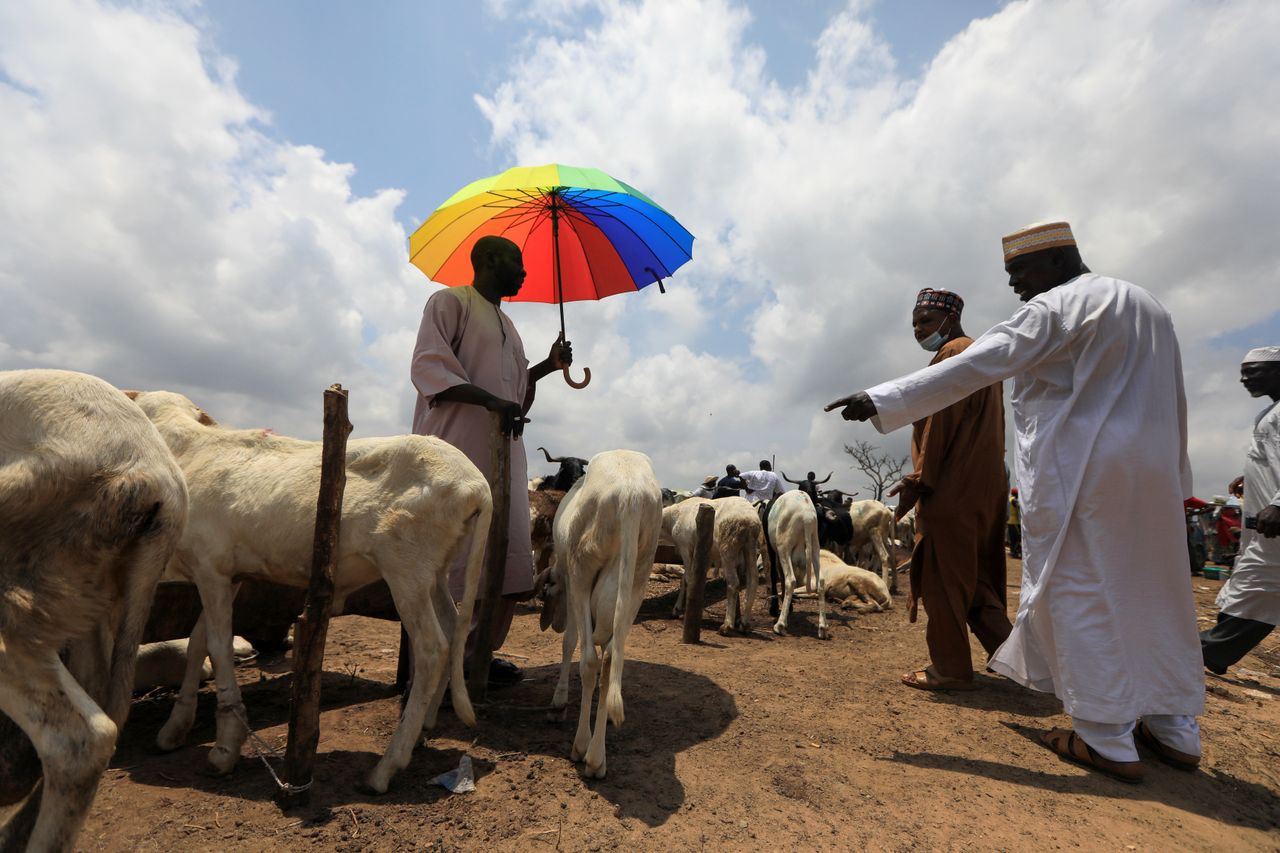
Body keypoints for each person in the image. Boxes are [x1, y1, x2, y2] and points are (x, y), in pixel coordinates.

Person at [825, 221, 1203, 783]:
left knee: (1082, 587)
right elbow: (1172, 392)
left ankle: (1105, 738)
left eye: (1019, 273)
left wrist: (881, 397)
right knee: (1152, 590)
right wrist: (1175, 473)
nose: (1016, 287)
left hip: (1087, 472)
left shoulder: (1058, 306)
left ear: (1056, 261)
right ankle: (1173, 726)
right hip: (1149, 473)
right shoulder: (1147, 304)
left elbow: (980, 363)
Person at [410, 235, 572, 685]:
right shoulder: (448, 303)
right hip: (454, 450)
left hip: (504, 456)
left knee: (508, 554)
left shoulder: (509, 325)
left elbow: (515, 391)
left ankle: (475, 654)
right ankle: (439, 659)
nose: (524, 271)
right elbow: (430, 369)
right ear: (488, 260)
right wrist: (492, 403)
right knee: (453, 557)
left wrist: (546, 364)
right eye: (518, 261)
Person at [884, 288, 1012, 692]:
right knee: (972, 582)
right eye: (915, 324)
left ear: (949, 318)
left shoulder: (953, 354)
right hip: (983, 487)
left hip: (952, 489)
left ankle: (951, 669)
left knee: (940, 578)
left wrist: (919, 481)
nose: (918, 330)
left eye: (924, 321)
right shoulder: (981, 357)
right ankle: (1014, 658)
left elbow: (940, 425)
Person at [1201, 346, 1280, 674]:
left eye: (1253, 372)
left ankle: (1212, 650)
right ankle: (1214, 649)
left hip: (1273, 525)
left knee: (1260, 584)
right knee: (1255, 583)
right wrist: (1248, 475)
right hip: (1263, 525)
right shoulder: (1271, 412)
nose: (1244, 379)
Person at [1007, 488, 1023, 558]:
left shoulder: (1009, 499)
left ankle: (1013, 552)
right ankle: (1015, 552)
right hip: (1015, 522)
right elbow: (1018, 506)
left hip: (1010, 522)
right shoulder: (1013, 499)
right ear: (1015, 494)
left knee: (1012, 538)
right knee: (1018, 537)